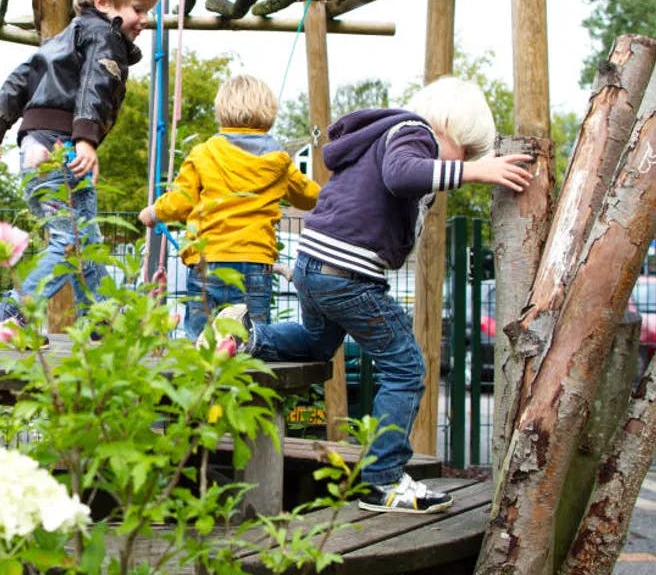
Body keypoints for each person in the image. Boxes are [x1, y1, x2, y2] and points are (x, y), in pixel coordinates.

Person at [214, 76, 533, 513]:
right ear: (449, 125)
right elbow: (402, 176)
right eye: (466, 151)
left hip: (314, 264)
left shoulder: (383, 137)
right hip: (346, 273)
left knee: (317, 343)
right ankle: (382, 481)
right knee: (405, 364)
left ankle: (246, 338)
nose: (466, 160)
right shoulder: (412, 132)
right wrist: (473, 172)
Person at [0, 0, 163, 333]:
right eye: (139, 9)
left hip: (38, 146)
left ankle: (102, 324)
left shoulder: (64, 38)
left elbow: (22, 76)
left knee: (86, 242)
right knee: (71, 240)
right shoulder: (103, 35)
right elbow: (94, 83)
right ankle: (13, 312)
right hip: (62, 147)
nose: (146, 20)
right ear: (104, 3)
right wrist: (85, 138)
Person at [138, 74, 320, 342]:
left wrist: (153, 212)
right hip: (255, 263)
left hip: (207, 259)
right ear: (269, 112)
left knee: (202, 338)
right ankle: (247, 379)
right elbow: (309, 198)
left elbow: (180, 201)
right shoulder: (279, 161)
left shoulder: (204, 153)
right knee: (252, 340)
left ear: (222, 110)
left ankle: (203, 381)